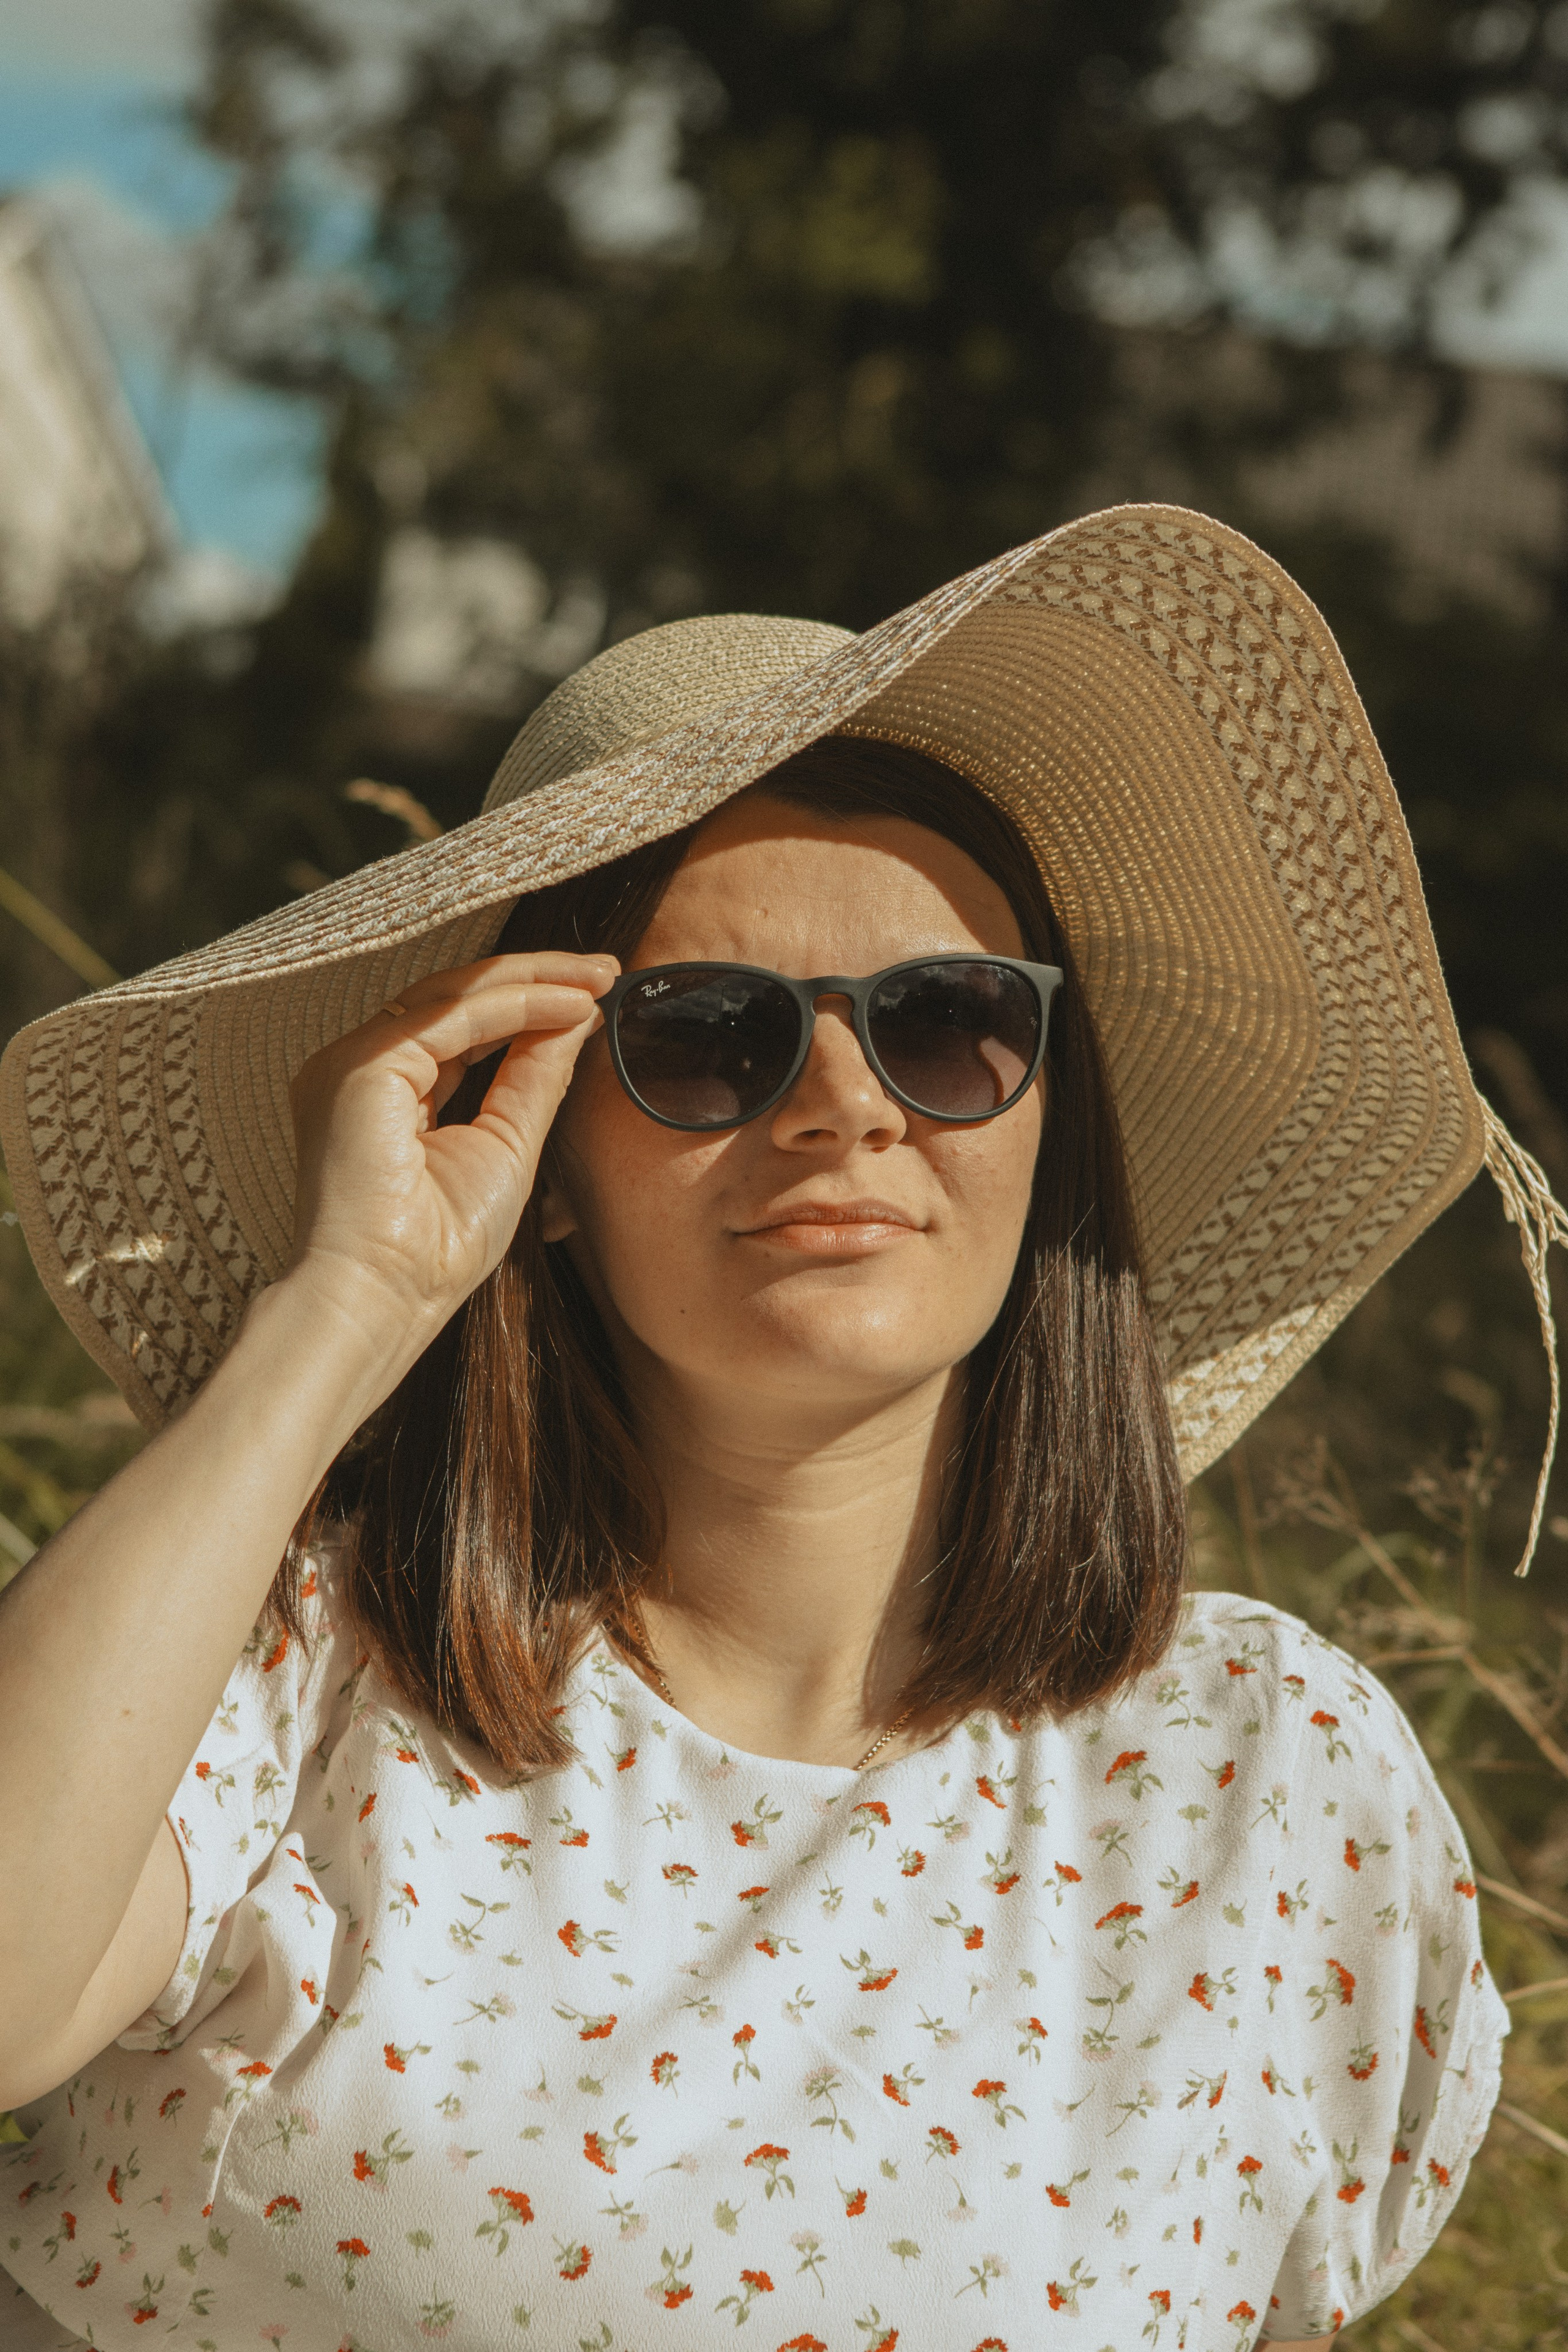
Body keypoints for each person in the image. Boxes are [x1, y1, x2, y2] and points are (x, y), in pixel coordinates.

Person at [0, 506, 1548, 2352]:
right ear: (541, 1149)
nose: (843, 1107)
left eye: (952, 1024)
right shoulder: (294, 1669)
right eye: (711, 1036)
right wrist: (346, 1312)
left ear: (1050, 1121)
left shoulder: (1274, 1788)